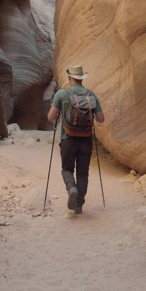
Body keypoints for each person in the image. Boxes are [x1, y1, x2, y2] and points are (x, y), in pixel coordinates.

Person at [47, 65, 105, 214]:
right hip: (86, 139)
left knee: (66, 169)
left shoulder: (61, 94)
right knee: (83, 173)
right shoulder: (91, 95)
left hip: (68, 138)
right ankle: (79, 205)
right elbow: (101, 119)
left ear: (69, 78)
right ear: (81, 78)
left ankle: (71, 188)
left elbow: (51, 117)